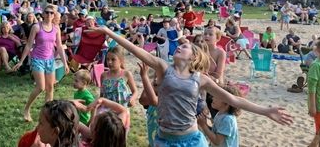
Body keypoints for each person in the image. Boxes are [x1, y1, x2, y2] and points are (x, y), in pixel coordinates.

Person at [90, 26, 293, 146]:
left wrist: (266, 110)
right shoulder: (164, 67)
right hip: (164, 139)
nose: (180, 46)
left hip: (191, 139)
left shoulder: (201, 79)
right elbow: (135, 50)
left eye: (185, 47)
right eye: (180, 45)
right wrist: (108, 31)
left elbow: (233, 99)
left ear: (194, 57)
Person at [13, 5, 69, 122]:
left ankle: (48, 114)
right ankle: (27, 109)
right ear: (43, 14)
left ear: (54, 15)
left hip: (50, 60)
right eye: (47, 12)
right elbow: (29, 45)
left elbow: (59, 46)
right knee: (41, 87)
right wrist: (21, 61)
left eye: (51, 13)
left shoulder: (56, 28)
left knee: (50, 88)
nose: (49, 15)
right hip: (37, 59)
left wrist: (65, 63)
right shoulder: (36, 27)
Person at [138, 61, 159, 147]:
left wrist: (144, 77)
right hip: (152, 141)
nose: (156, 80)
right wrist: (151, 84)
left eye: (159, 77)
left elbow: (154, 101)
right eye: (155, 77)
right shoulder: (151, 95)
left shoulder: (166, 97)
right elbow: (142, 100)